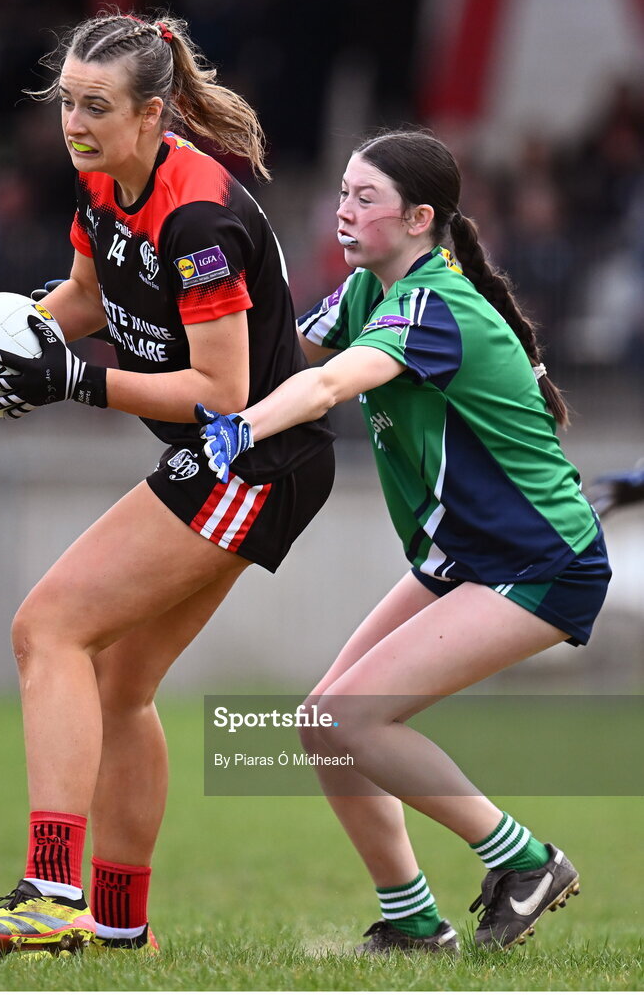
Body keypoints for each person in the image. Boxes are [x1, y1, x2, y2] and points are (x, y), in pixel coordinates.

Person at [0, 10, 334, 956]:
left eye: (96, 107)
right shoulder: (103, 182)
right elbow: (83, 295)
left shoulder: (198, 216)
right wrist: (5, 337)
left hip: (252, 457)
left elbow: (220, 392)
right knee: (117, 682)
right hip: (234, 460)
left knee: (48, 628)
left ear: (154, 113)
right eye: (66, 102)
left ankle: (50, 892)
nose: (74, 123)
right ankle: (117, 926)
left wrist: (75, 379)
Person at [197, 128, 611, 954]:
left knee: (353, 719)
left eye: (364, 199)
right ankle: (415, 923)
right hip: (465, 560)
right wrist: (117, 344)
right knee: (324, 722)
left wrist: (242, 428)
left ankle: (525, 861)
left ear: (421, 218)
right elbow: (281, 354)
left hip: (542, 561)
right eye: (342, 192)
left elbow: (326, 383)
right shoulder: (368, 295)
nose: (342, 212)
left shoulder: (434, 305)